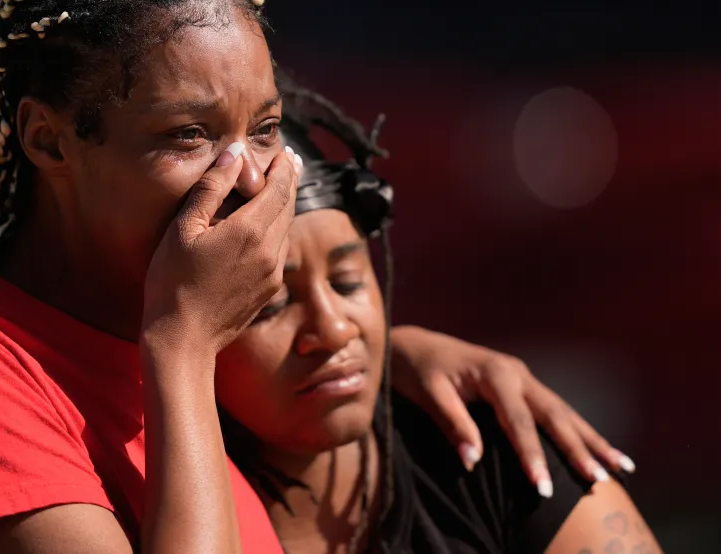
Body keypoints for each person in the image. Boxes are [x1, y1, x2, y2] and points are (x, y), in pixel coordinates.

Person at [0, 0, 639, 554]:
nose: (250, 178)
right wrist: (184, 345)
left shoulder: (191, 351)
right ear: (49, 141)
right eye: (188, 135)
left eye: (266, 129)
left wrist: (385, 356)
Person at [214, 71, 663, 553]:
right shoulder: (163, 500)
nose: (334, 328)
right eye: (271, 306)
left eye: (347, 282)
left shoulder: (487, 451)